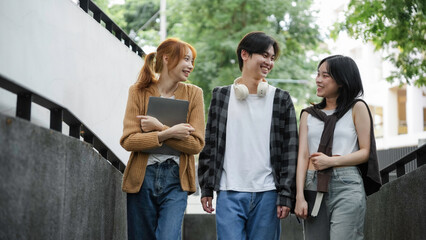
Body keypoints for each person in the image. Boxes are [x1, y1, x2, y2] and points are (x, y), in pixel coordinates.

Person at [198, 31, 298, 239]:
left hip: (268, 194)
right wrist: (206, 187)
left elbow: (290, 151)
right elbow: (211, 144)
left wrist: (286, 196)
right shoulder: (221, 96)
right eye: (264, 55)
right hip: (229, 191)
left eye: (272, 58)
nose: (269, 62)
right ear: (245, 54)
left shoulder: (280, 99)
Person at [120, 38, 205, 240]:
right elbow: (128, 141)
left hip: (176, 179)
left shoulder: (194, 94)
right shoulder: (138, 91)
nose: (190, 66)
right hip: (142, 179)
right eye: (186, 59)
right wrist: (168, 134)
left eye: (192, 61)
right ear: (167, 58)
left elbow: (196, 144)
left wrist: (159, 128)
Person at [294, 55, 381, 240]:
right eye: (318, 74)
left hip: (347, 184)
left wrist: (331, 161)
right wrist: (299, 196)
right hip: (312, 183)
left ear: (342, 80)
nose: (318, 79)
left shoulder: (357, 108)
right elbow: (302, 156)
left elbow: (365, 152)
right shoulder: (308, 115)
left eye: (325, 75)